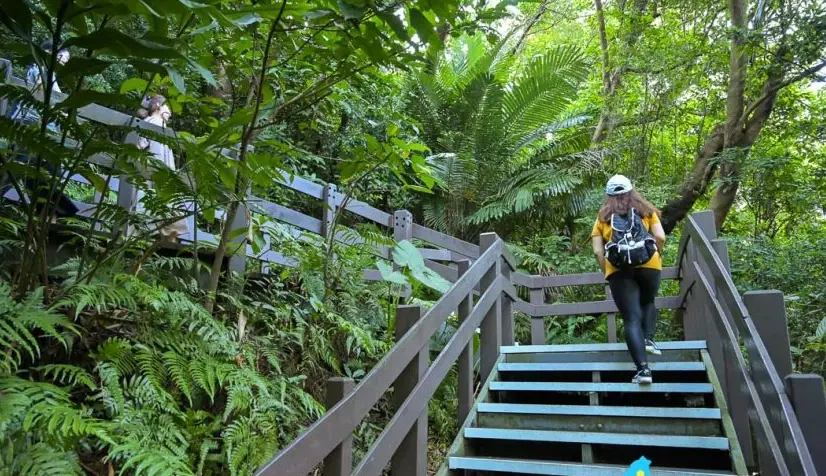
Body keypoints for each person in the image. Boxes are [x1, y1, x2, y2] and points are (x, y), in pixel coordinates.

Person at [590, 175, 666, 384]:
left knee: (631, 318)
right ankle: (648, 339)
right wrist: (655, 255)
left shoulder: (603, 216)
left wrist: (608, 270)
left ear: (609, 195)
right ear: (632, 191)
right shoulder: (646, 210)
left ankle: (643, 371)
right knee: (648, 301)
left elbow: (598, 251)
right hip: (650, 265)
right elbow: (660, 237)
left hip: (619, 270)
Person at [132, 95, 189, 241]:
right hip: (153, 173)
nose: (170, 111)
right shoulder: (151, 123)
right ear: (158, 105)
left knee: (163, 203)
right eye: (167, 106)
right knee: (155, 201)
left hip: (162, 174)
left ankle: (161, 235)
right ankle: (155, 234)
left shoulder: (161, 126)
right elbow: (137, 146)